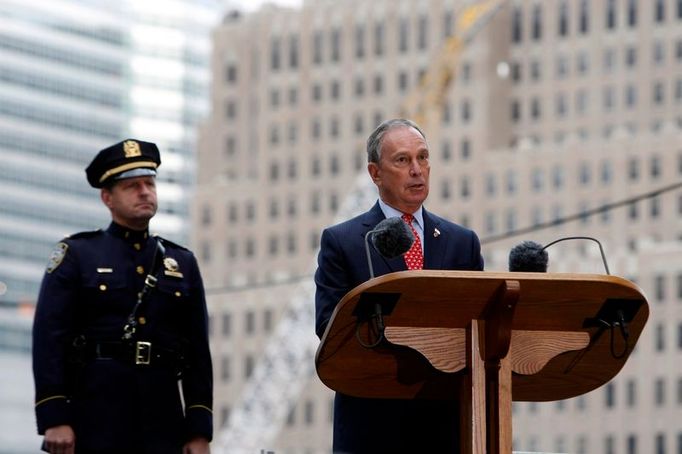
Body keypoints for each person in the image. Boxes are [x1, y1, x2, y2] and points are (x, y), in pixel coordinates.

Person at [32, 139, 213, 454]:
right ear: (107, 198)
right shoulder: (77, 254)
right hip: (95, 415)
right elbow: (49, 339)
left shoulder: (181, 262)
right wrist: (54, 417)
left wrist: (199, 432)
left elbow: (198, 354)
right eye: (132, 186)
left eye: (149, 183)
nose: (145, 191)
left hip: (163, 417)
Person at [314, 119, 484, 453]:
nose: (417, 170)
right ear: (375, 173)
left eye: (423, 158)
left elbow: (478, 327)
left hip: (445, 425)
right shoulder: (344, 241)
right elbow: (328, 327)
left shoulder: (462, 243)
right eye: (403, 160)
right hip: (371, 425)